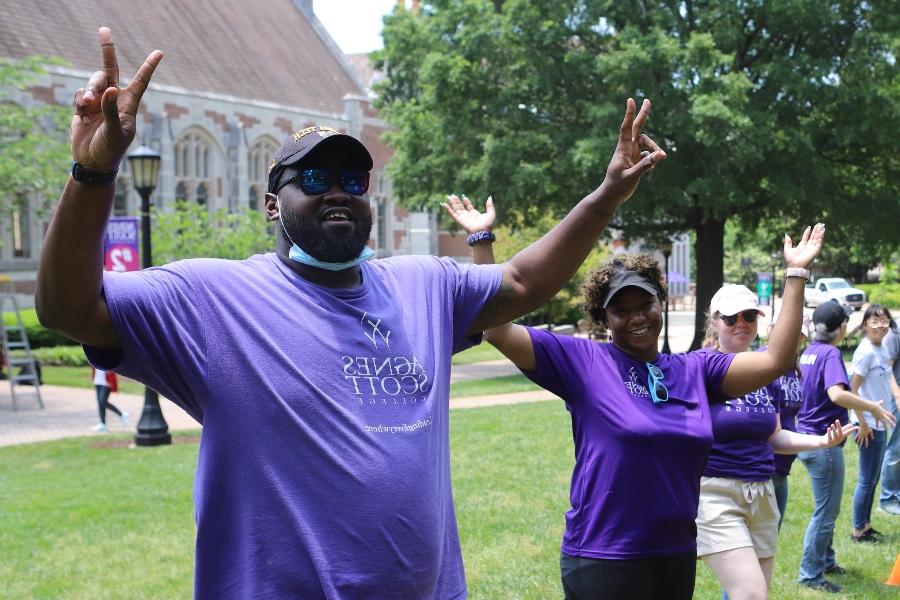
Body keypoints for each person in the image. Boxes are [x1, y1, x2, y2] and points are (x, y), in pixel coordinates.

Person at [34, 28, 667, 598]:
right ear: (271, 205)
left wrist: (607, 193)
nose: (337, 189)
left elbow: (525, 281)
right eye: (311, 179)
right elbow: (68, 308)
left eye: (352, 178)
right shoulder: (208, 299)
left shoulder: (424, 286)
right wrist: (94, 175)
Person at [443, 194, 827, 600]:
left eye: (645, 303)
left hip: (674, 553)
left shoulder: (696, 370)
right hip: (604, 556)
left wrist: (796, 272)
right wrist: (481, 240)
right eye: (621, 310)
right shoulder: (584, 362)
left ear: (660, 303)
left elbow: (776, 358)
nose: (636, 316)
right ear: (603, 318)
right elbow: (498, 330)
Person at [695, 285, 853, 600]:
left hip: (762, 492)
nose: (741, 323)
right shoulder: (698, 367)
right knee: (752, 594)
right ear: (714, 321)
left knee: (754, 594)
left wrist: (821, 441)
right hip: (717, 493)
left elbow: (775, 436)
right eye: (731, 317)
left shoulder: (766, 373)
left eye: (749, 316)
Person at [795, 299, 896, 593]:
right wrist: (871, 408)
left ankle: (826, 561)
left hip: (808, 438)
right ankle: (810, 574)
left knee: (825, 508)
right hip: (824, 442)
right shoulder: (830, 354)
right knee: (826, 512)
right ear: (841, 328)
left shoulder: (809, 352)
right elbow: (838, 394)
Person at [849, 304, 900, 541]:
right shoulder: (866, 351)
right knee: (866, 479)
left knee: (872, 478)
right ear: (865, 324)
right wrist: (864, 423)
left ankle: (866, 524)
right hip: (867, 424)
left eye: (884, 321)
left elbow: (887, 378)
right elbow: (852, 389)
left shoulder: (882, 349)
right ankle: (858, 530)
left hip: (879, 422)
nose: (880, 326)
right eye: (875, 321)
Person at [880, 321, 900, 515]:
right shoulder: (895, 332)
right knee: (895, 447)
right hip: (897, 398)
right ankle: (888, 497)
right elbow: (888, 366)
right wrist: (897, 395)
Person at [90, 367, 127, 432]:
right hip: (98, 381)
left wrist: (110, 380)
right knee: (100, 404)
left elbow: (111, 368)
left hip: (106, 382)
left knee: (103, 401)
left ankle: (121, 414)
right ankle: (102, 424)